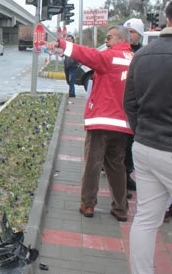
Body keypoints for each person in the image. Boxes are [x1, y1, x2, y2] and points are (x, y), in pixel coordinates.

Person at [46, 25, 133, 222]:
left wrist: (62, 44)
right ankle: (120, 208)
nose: (107, 42)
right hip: (123, 126)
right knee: (117, 166)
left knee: (93, 165)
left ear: (120, 38)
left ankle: (87, 204)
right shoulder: (135, 60)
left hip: (101, 123)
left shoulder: (110, 57)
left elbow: (86, 54)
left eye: (109, 37)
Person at [126, 0, 172, 274]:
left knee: (146, 218)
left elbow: (129, 103)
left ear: (166, 18)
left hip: (145, 148)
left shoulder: (142, 56)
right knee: (146, 218)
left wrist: (141, 132)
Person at [122, 18, 145, 194]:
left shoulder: (144, 54)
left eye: (133, 32)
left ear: (140, 34)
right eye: (127, 32)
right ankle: (119, 176)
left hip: (136, 106)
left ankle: (127, 173)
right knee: (119, 144)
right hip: (119, 105)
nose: (129, 36)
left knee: (131, 144)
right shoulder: (119, 52)